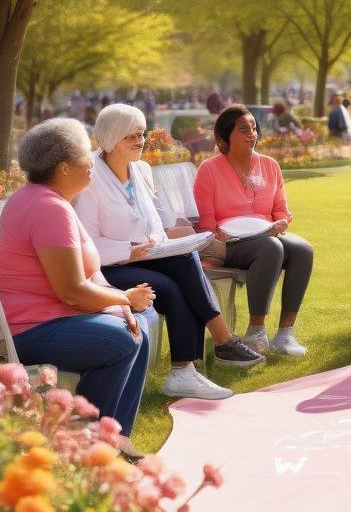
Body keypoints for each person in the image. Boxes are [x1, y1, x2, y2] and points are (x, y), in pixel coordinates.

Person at [74, 104, 262, 399]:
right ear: (110, 138)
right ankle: (198, 360)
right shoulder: (89, 178)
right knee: (173, 287)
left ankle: (189, 368)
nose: (140, 141)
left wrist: (164, 242)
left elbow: (155, 225)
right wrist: (129, 250)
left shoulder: (139, 170)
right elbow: (86, 244)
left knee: (185, 258)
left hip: (147, 257)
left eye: (142, 134)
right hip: (107, 267)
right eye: (131, 137)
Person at [0, 119, 155, 452]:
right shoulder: (46, 208)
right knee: (121, 341)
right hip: (29, 328)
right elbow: (71, 291)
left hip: (53, 317)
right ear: (65, 167)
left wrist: (120, 304)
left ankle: (112, 440)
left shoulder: (53, 200)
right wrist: (124, 297)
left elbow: (91, 272)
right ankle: (84, 445)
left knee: (138, 327)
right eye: (85, 155)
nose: (92, 161)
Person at [193, 106, 313, 356]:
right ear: (224, 137)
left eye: (254, 128)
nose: (252, 134)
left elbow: (281, 210)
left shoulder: (270, 165)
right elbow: (205, 222)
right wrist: (217, 236)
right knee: (271, 248)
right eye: (243, 129)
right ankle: (256, 332)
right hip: (227, 242)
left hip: (267, 234)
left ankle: (284, 335)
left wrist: (281, 222)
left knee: (302, 249)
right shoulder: (209, 170)